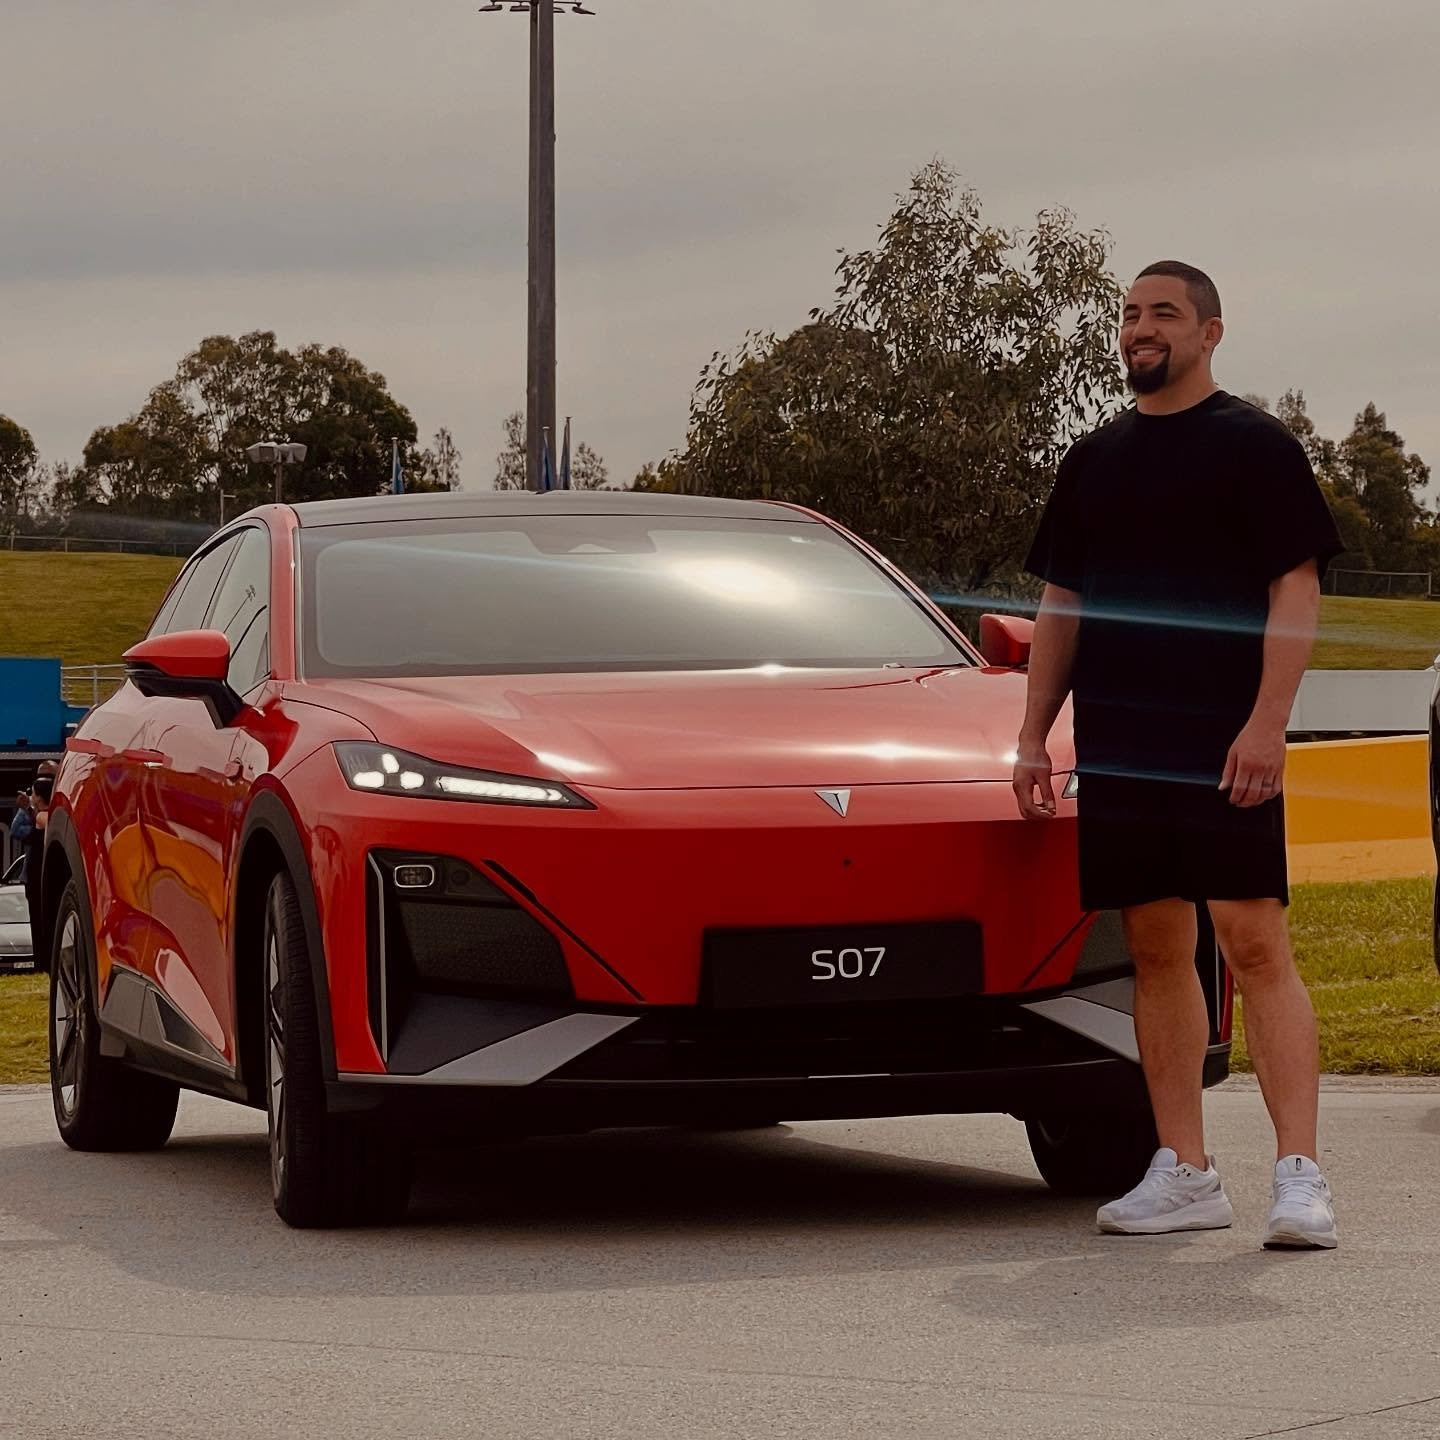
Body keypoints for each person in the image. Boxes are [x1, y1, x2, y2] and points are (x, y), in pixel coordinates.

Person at [1014, 260, 1344, 1250]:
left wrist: (1268, 723)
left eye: (1163, 313)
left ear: (1209, 332)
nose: (1140, 329)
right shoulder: (1093, 460)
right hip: (1122, 744)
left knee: (1254, 943)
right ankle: (1186, 1171)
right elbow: (1063, 604)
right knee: (1156, 950)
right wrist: (1033, 735)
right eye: (1129, 315)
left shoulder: (1256, 446)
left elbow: (1296, 589)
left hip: (1225, 737)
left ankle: (1300, 1177)